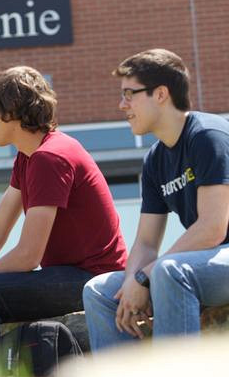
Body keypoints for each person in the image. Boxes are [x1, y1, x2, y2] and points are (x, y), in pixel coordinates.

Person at [0, 66, 127, 375]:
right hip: (65, 274)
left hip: (93, 278)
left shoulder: (51, 157)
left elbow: (28, 254)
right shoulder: (29, 157)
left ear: (11, 109)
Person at [83, 49, 229, 350]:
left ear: (160, 94)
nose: (122, 105)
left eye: (129, 94)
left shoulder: (208, 137)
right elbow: (146, 242)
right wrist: (130, 284)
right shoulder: (155, 159)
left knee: (169, 271)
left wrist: (145, 276)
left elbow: (213, 228)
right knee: (99, 291)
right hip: (209, 263)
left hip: (220, 254)